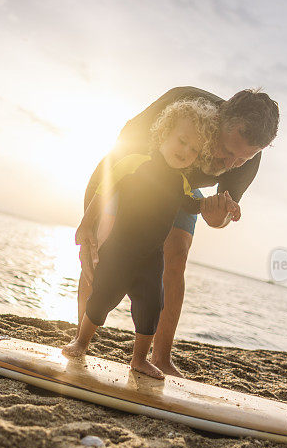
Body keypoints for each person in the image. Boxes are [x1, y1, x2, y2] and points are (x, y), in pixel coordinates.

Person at [76, 87, 279, 377]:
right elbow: (120, 155)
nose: (233, 164)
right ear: (219, 120)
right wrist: (91, 225)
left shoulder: (247, 159)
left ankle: (160, 357)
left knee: (177, 254)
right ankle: (81, 340)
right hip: (130, 171)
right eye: (229, 152)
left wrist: (217, 217)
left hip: (180, 189)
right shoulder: (182, 106)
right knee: (103, 251)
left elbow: (218, 219)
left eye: (243, 159)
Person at [63, 98, 221, 379]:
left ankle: (139, 359)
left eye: (194, 149)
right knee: (102, 299)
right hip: (120, 250)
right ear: (164, 133)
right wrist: (87, 222)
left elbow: (191, 205)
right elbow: (103, 190)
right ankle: (81, 341)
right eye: (182, 141)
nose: (186, 152)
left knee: (151, 306)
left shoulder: (183, 183)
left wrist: (209, 205)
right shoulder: (133, 163)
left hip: (152, 258)